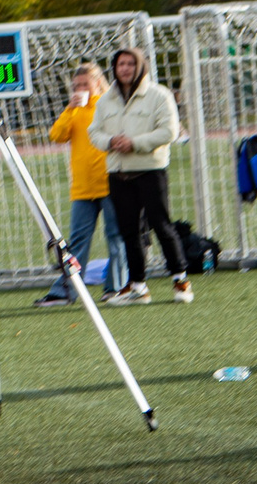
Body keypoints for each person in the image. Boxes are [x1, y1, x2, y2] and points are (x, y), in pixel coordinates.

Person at [89, 46, 191, 303]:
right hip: (119, 173)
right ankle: (137, 287)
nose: (124, 69)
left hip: (150, 171)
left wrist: (134, 142)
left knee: (161, 225)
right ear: (113, 68)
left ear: (140, 66)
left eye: (130, 64)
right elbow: (94, 133)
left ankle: (180, 280)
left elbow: (169, 131)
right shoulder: (105, 100)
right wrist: (111, 141)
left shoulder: (159, 95)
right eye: (120, 64)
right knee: (130, 232)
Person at [38, 63, 124, 304]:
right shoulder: (74, 111)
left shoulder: (110, 106)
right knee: (76, 241)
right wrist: (69, 109)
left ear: (98, 83)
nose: (80, 89)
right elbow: (57, 136)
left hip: (110, 183)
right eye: (76, 86)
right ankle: (66, 290)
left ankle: (116, 288)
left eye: (85, 84)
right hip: (83, 188)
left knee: (116, 237)